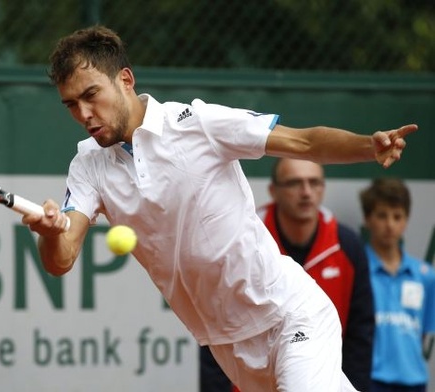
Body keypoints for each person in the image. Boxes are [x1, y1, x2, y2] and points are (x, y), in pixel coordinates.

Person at [21, 25, 417, 391]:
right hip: (227, 345)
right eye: (71, 105)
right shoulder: (88, 165)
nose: (84, 114)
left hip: (290, 315)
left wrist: (369, 145)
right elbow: (62, 257)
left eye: (91, 95)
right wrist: (50, 234)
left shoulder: (197, 124)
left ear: (125, 80)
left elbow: (304, 143)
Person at [201, 158, 376, 392]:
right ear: (273, 190)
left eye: (314, 183)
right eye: (294, 183)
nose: (306, 192)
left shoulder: (347, 245)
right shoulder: (245, 241)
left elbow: (360, 334)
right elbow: (217, 327)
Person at [359, 178, 435, 392]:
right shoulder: (358, 271)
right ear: (367, 219)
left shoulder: (425, 276)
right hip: (371, 379)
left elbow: (421, 335)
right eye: (382, 216)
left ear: (406, 220)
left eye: (397, 216)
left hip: (414, 380)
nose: (390, 225)